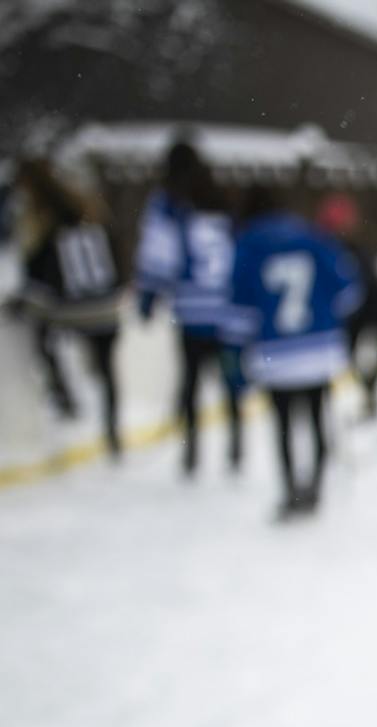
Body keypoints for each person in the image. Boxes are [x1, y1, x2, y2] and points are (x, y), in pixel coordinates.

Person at [223, 184, 361, 520]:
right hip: (318, 349)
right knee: (316, 418)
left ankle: (290, 491)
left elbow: (239, 307)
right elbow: (348, 291)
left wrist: (236, 350)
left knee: (283, 424)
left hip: (275, 353)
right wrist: (327, 319)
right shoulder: (312, 237)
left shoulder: (249, 244)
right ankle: (315, 489)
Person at [136, 136, 246, 477]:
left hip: (192, 311)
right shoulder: (219, 197)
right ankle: (236, 447)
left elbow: (159, 252)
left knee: (191, 381)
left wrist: (149, 295)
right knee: (229, 381)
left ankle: (191, 450)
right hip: (225, 311)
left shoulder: (169, 203)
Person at [8, 156, 124, 459]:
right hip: (106, 304)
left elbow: (37, 275)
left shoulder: (44, 220)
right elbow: (117, 254)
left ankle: (63, 395)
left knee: (41, 335)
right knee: (108, 371)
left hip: (73, 308)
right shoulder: (91, 211)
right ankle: (113, 434)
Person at [316, 190, 377, 421]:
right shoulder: (338, 253)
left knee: (366, 360)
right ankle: (369, 395)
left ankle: (370, 396)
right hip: (358, 318)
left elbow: (369, 290)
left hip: (369, 315)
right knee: (362, 361)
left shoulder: (349, 254)